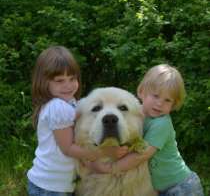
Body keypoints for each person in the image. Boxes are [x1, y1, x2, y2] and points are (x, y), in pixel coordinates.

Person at [86, 64, 204, 196]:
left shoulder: (162, 124)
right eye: (156, 96)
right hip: (160, 188)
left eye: (167, 100)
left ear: (173, 105)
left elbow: (140, 155)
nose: (160, 103)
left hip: (182, 187)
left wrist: (111, 168)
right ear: (141, 92)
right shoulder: (134, 113)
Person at [27, 46, 127, 196]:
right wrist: (105, 152)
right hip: (49, 186)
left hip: (58, 183)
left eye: (72, 78)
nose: (67, 85)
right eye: (60, 81)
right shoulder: (57, 107)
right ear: (44, 82)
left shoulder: (69, 102)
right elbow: (68, 149)